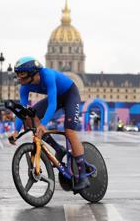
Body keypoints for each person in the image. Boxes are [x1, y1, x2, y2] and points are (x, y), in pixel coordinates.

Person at [9, 56, 90, 192]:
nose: (19, 78)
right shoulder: (24, 87)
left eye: (22, 74)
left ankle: (83, 176)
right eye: (17, 74)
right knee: (30, 117)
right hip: (58, 97)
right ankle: (59, 149)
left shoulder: (47, 75)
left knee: (69, 131)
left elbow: (52, 104)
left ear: (33, 72)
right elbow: (21, 112)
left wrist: (43, 124)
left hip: (70, 94)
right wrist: (16, 131)